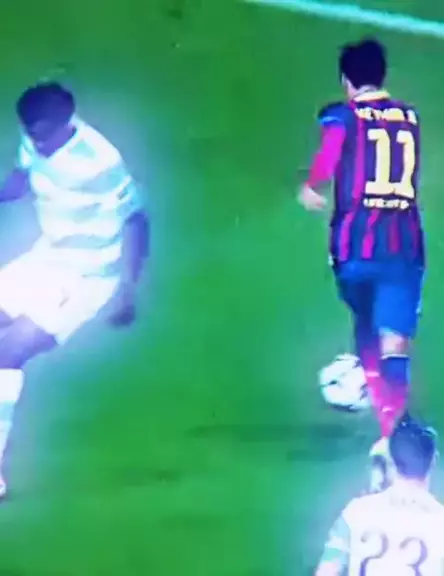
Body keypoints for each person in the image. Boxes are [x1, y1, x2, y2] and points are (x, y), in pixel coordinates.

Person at [0, 82, 149, 498]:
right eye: (31, 133)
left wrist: (127, 290)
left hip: (86, 277)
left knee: (8, 352)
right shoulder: (34, 140)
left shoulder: (99, 161)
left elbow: (136, 220)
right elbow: (21, 181)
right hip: (46, 258)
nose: (38, 142)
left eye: (44, 134)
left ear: (67, 122)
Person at [298, 38, 424, 491]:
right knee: (395, 341)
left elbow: (332, 149)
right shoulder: (409, 117)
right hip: (403, 242)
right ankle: (392, 433)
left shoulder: (343, 115)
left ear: (345, 80)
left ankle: (386, 421)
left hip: (355, 244)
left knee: (366, 325)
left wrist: (313, 185)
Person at [315, 413, 444, 576]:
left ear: (391, 459)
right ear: (433, 459)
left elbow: (326, 571)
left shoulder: (356, 512)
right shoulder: (440, 522)